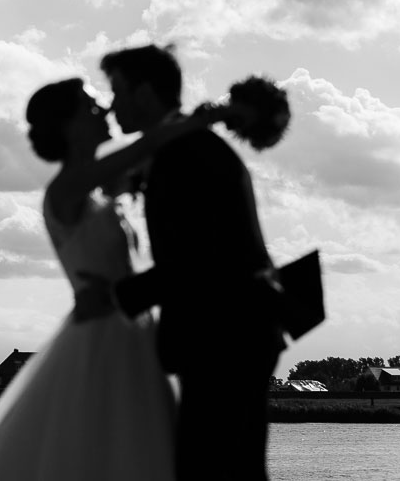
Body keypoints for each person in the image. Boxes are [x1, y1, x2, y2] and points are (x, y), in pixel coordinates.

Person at [0, 77, 247, 481]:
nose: (105, 109)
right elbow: (144, 148)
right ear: (70, 125)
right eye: (91, 106)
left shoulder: (101, 189)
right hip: (100, 334)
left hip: (134, 329)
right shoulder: (66, 188)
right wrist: (203, 118)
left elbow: (141, 162)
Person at [96, 45, 287, 481]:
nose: (113, 104)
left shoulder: (185, 154)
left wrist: (117, 296)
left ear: (145, 92)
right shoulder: (183, 148)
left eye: (119, 91)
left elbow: (195, 262)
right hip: (234, 332)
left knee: (213, 468)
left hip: (225, 335)